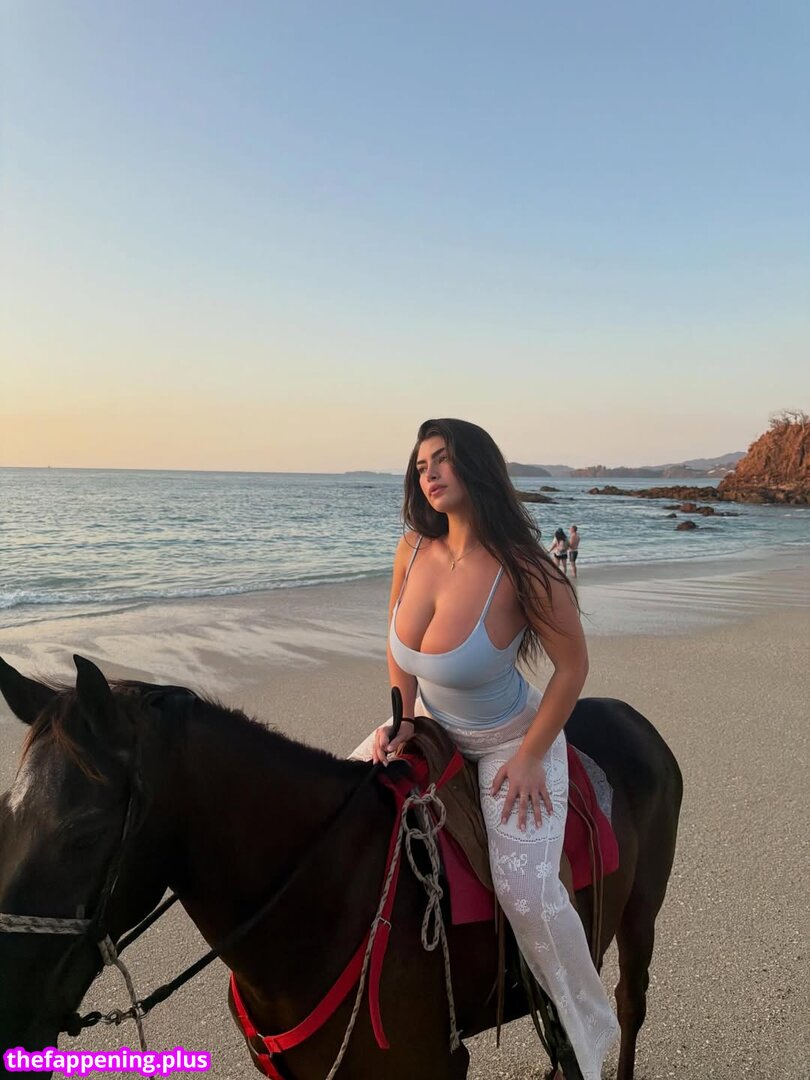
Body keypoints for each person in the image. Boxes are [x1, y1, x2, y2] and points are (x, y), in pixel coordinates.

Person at [352, 419, 618, 1079]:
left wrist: (529, 757)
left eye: (443, 459)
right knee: (334, 818)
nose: (430, 474)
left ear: (476, 466)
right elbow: (397, 646)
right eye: (421, 465)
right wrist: (402, 718)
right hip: (429, 726)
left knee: (525, 892)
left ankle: (587, 1032)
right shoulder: (412, 549)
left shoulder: (525, 569)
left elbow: (573, 669)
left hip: (510, 740)